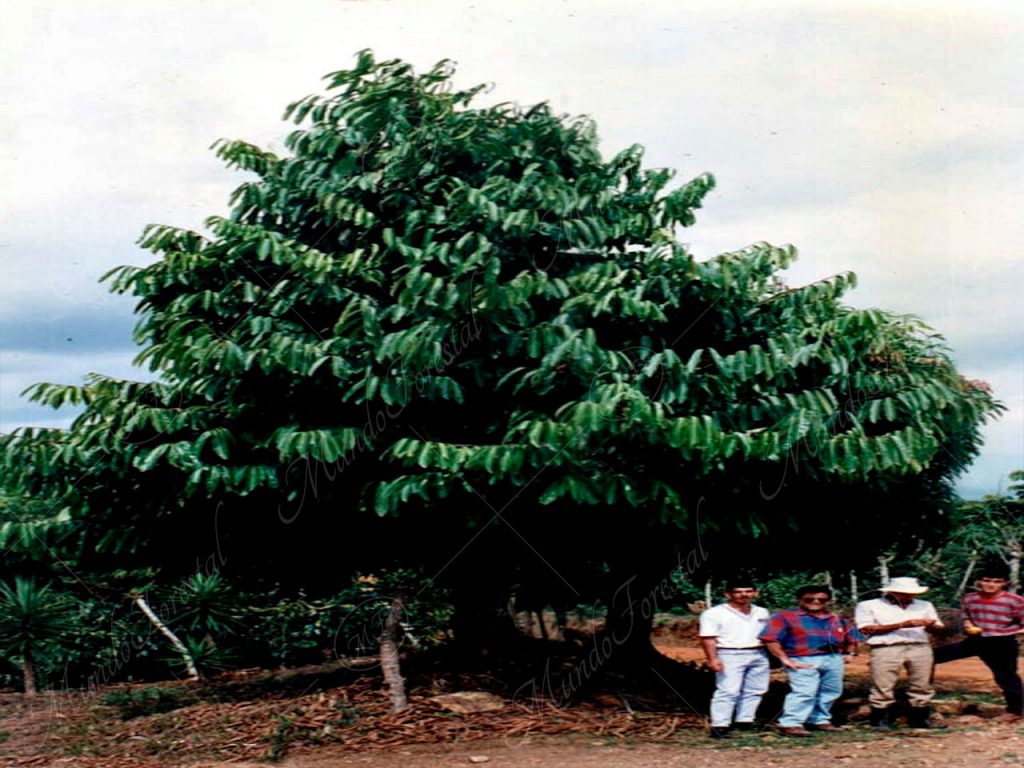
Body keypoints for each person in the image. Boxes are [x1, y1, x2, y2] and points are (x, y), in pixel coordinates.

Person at [760, 584, 860, 737]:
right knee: (804, 691)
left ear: (829, 601)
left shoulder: (837, 618)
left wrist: (850, 653)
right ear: (800, 599)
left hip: (833, 658)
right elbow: (770, 639)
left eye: (821, 599)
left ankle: (819, 719)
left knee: (831, 691)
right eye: (810, 599)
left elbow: (852, 636)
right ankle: (791, 723)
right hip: (801, 658)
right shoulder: (784, 617)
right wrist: (783, 658)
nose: (816, 602)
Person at [934, 565, 1024, 723]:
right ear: (979, 582)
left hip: (1002, 642)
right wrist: (968, 624)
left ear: (1005, 583)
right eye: (987, 581)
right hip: (976, 640)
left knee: (1006, 676)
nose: (991, 585)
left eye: (996, 582)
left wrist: (1009, 632)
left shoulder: (1015, 601)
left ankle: (1016, 710)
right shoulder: (970, 598)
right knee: (931, 657)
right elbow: (965, 615)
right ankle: (917, 698)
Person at [855, 576, 945, 730]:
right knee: (883, 683)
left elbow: (939, 629)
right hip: (886, 646)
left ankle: (920, 718)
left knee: (922, 683)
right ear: (891, 592)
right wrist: (902, 625)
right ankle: (879, 719)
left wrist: (930, 626)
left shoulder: (924, 605)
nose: (908, 596)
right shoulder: (869, 605)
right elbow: (865, 629)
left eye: (911, 593)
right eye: (903, 593)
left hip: (919, 646)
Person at [698, 579, 771, 739]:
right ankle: (720, 725)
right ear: (728, 594)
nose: (744, 595)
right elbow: (708, 637)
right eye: (738, 591)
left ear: (755, 593)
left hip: (758, 653)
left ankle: (745, 720)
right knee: (728, 690)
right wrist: (712, 659)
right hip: (729, 653)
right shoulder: (714, 613)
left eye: (748, 591)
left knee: (756, 689)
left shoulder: (762, 612)